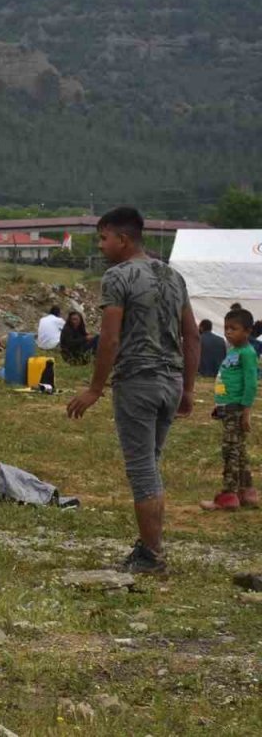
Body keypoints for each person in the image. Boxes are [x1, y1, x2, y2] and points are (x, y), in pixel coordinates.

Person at [66, 207, 199, 575]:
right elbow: (192, 335)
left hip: (138, 382)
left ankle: (152, 556)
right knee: (150, 465)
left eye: (104, 238)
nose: (101, 245)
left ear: (122, 239)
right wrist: (187, 388)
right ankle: (149, 545)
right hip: (170, 382)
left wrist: (95, 388)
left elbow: (109, 337)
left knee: (142, 470)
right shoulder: (174, 277)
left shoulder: (118, 277)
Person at [200, 308, 258, 511]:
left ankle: (228, 494)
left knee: (230, 450)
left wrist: (246, 411)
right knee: (239, 450)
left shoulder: (248, 353)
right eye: (226, 328)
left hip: (237, 408)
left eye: (234, 328)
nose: (228, 332)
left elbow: (251, 383)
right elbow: (227, 378)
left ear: (248, 331)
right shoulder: (232, 351)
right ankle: (247, 491)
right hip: (227, 406)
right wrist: (219, 404)